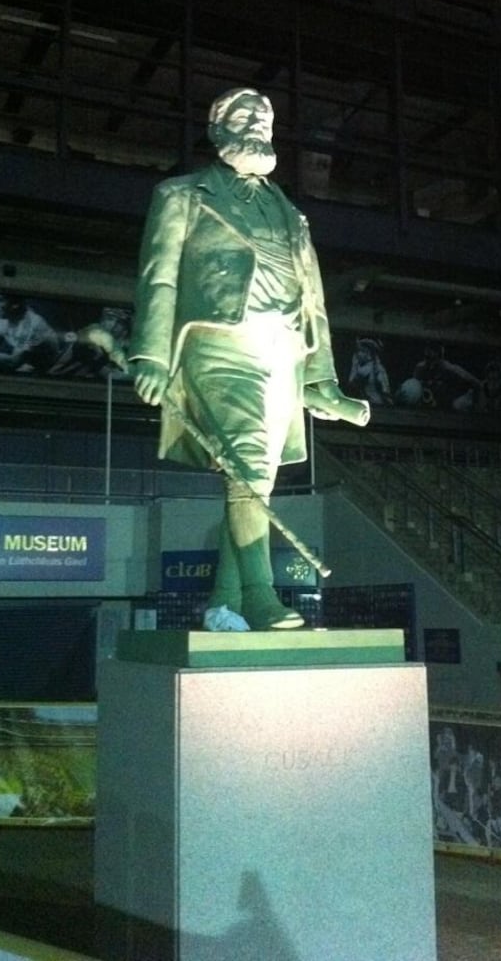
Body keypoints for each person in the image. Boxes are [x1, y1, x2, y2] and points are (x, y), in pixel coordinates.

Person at [129, 87, 351, 631]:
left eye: (265, 117)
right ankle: (259, 594)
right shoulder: (181, 194)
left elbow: (314, 300)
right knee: (249, 465)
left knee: (252, 482)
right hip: (218, 343)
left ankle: (222, 603)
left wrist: (321, 378)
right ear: (216, 127)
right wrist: (150, 354)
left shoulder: (292, 215)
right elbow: (159, 276)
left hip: (283, 352)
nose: (257, 124)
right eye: (244, 115)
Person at [348, 336, 392, 406]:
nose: (358, 354)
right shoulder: (377, 366)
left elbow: (352, 383)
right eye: (358, 351)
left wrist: (354, 365)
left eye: (362, 351)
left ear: (369, 354)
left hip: (374, 403)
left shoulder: (368, 368)